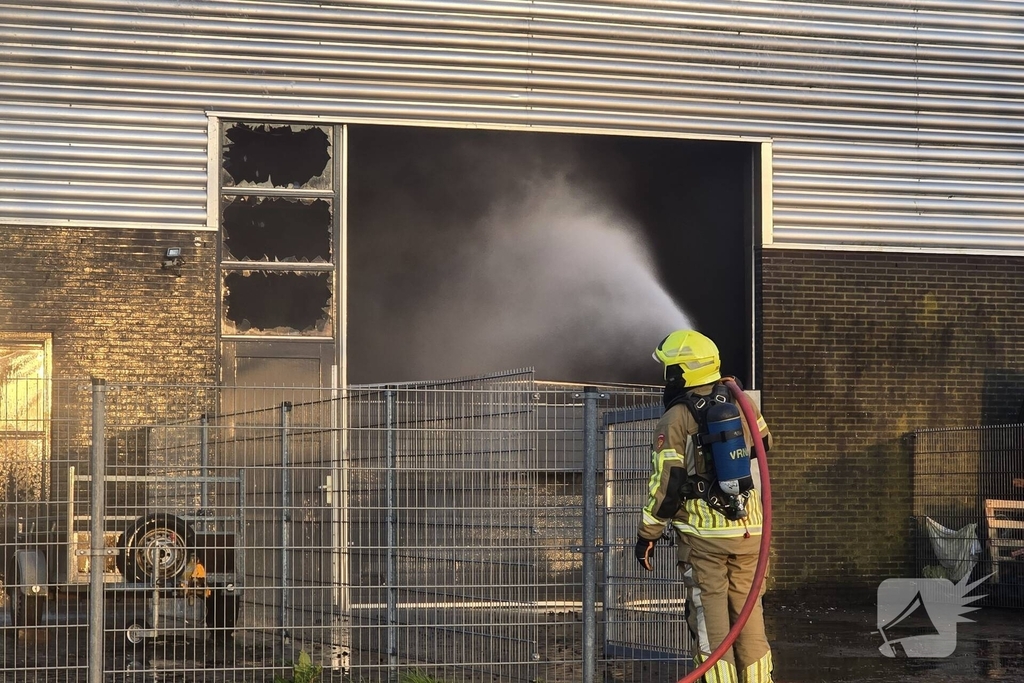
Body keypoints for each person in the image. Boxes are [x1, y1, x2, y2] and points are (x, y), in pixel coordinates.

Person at [636, 329, 774, 683]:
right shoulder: (741, 402)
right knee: (749, 618)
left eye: (670, 370)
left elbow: (667, 484)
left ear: (682, 372)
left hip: (705, 539)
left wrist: (647, 534)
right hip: (750, 530)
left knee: (710, 621)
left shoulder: (676, 418)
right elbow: (765, 444)